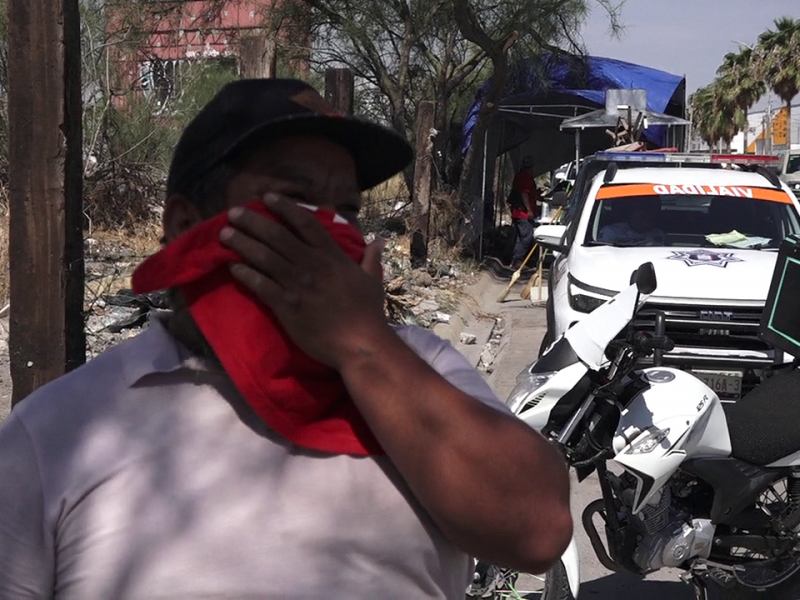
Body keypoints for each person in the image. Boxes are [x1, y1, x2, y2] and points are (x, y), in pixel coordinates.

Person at [0, 79, 572, 598]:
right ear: (184, 227)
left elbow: (537, 530)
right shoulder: (60, 433)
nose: (329, 233)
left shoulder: (420, 365)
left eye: (347, 210)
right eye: (294, 201)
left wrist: (362, 345)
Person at [507, 155, 542, 269]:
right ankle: (518, 260)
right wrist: (529, 210)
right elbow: (524, 194)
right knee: (526, 236)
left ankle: (516, 260)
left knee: (520, 236)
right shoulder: (525, 177)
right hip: (522, 213)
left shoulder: (521, 176)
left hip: (518, 212)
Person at [598, 198, 666, 246]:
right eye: (641, 211)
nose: (647, 215)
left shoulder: (658, 235)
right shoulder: (611, 232)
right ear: (631, 213)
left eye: (650, 212)